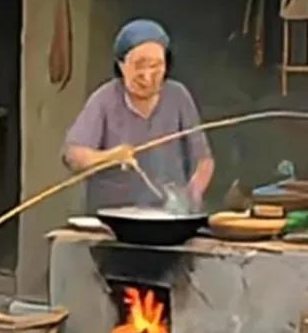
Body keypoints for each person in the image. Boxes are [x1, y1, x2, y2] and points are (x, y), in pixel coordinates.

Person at [63, 19, 215, 210]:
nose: (147, 76)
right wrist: (110, 156)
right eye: (139, 65)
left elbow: (203, 160)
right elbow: (74, 155)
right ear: (121, 65)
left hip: (168, 217)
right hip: (112, 219)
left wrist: (191, 194)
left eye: (156, 66)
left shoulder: (178, 96)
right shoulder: (105, 99)